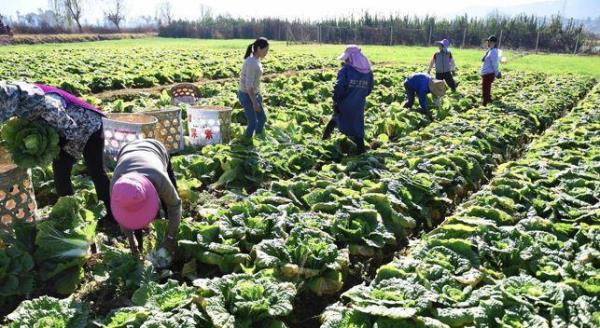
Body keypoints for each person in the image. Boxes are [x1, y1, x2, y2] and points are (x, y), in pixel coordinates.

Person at [0, 81, 113, 222]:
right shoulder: (23, 96)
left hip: (89, 125)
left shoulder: (45, 104)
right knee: (60, 173)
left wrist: (45, 149)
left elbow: (68, 129)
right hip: (68, 129)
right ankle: (68, 214)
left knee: (95, 170)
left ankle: (112, 215)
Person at [110, 139, 181, 258]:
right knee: (131, 213)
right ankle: (138, 248)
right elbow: (121, 214)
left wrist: (171, 237)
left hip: (156, 148)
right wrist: (131, 239)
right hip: (127, 150)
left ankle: (169, 235)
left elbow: (175, 205)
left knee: (168, 202)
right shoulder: (117, 186)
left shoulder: (160, 179)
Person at [322, 45, 374, 154]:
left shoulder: (346, 70)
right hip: (359, 104)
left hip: (344, 102)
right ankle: (362, 151)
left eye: (347, 58)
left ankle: (324, 140)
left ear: (351, 58)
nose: (345, 60)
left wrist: (336, 101)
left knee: (335, 119)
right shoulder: (368, 72)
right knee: (358, 126)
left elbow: (339, 87)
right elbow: (369, 89)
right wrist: (359, 96)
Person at [238, 37, 270, 139]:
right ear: (259, 48)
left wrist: (258, 95)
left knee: (262, 118)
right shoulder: (251, 62)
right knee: (252, 122)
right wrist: (254, 102)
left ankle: (257, 139)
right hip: (247, 95)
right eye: (266, 50)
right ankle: (246, 143)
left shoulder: (256, 60)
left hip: (253, 94)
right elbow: (248, 85)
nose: (266, 53)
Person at [481, 35, 501, 106]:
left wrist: (497, 73)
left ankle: (485, 103)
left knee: (485, 89)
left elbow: (495, 64)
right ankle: (488, 100)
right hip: (486, 73)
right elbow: (484, 59)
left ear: (494, 43)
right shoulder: (490, 51)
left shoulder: (494, 52)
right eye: (488, 42)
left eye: (489, 42)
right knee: (486, 88)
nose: (488, 43)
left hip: (489, 73)